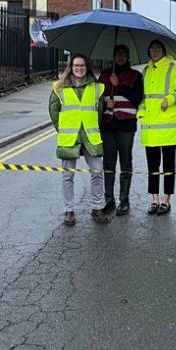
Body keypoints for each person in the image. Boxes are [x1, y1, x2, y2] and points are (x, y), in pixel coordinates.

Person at [48, 53, 107, 227]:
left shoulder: (97, 88)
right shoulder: (59, 88)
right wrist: (64, 129)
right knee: (68, 176)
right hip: (70, 137)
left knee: (97, 172)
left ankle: (97, 208)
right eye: (76, 66)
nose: (79, 68)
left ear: (86, 67)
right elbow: (54, 112)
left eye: (82, 65)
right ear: (71, 68)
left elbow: (100, 113)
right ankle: (69, 211)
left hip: (90, 136)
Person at [138, 39, 176, 215]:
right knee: (152, 166)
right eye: (152, 48)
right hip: (150, 128)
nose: (154, 51)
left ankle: (166, 199)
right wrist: (141, 113)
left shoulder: (173, 69)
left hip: (167, 127)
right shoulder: (145, 71)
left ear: (163, 50)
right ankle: (154, 199)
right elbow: (141, 98)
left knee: (168, 166)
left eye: (158, 48)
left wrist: (169, 100)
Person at [98, 44, 144, 216]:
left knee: (125, 163)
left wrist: (119, 86)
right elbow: (95, 99)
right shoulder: (104, 75)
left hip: (126, 126)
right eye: (118, 54)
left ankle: (124, 200)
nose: (121, 57)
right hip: (108, 125)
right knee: (108, 164)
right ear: (114, 56)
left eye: (124, 54)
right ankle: (109, 200)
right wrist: (104, 102)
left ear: (128, 56)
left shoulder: (135, 76)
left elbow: (137, 99)